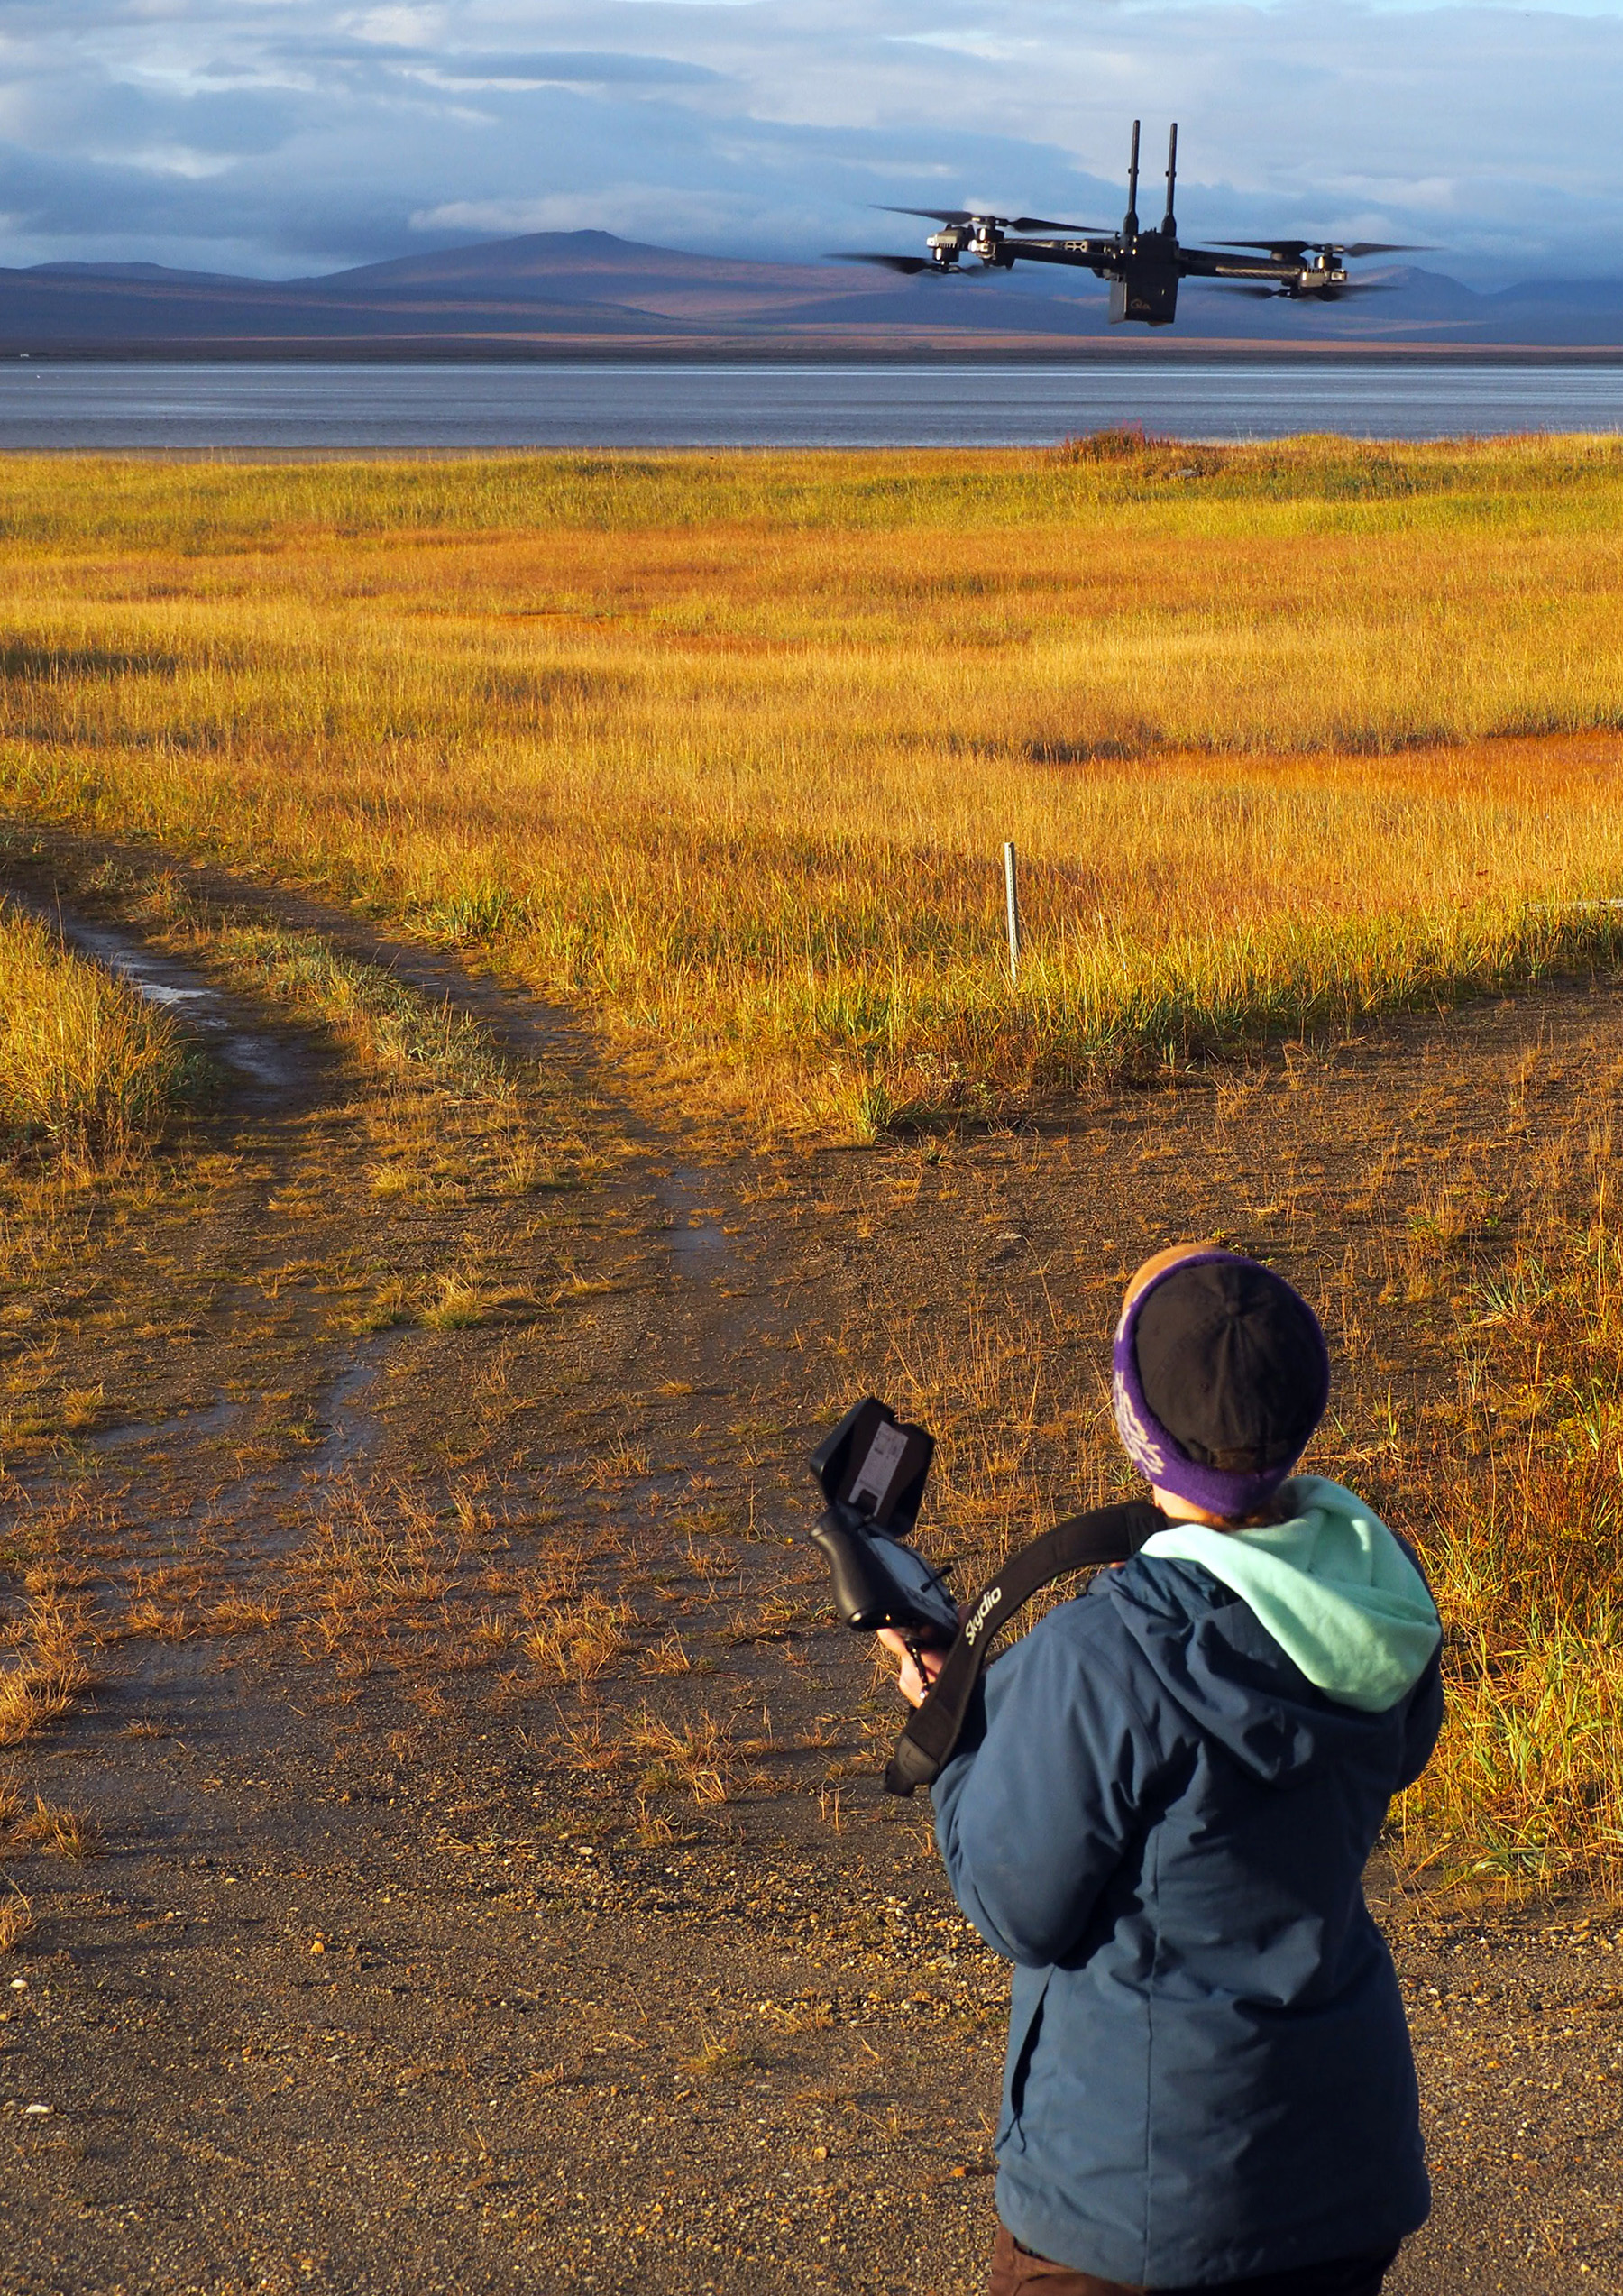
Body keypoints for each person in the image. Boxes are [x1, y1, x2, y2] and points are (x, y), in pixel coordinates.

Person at [880, 1244, 1444, 2296]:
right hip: (1339, 2164)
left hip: (1137, 2206)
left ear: (1138, 1429)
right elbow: (1398, 1747)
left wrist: (958, 1735)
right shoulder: (1379, 1589)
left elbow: (1015, 1904)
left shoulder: (1104, 1655)